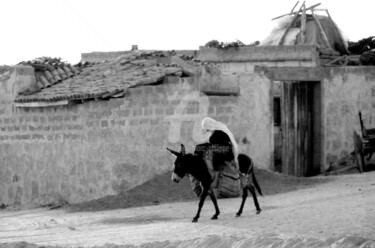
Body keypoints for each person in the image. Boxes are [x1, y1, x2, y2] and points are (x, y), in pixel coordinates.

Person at [201, 117, 239, 190]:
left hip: (226, 151)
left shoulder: (219, 131)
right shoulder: (217, 129)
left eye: (206, 128)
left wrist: (213, 148)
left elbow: (223, 145)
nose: (207, 130)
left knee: (216, 159)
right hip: (222, 149)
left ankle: (215, 180)